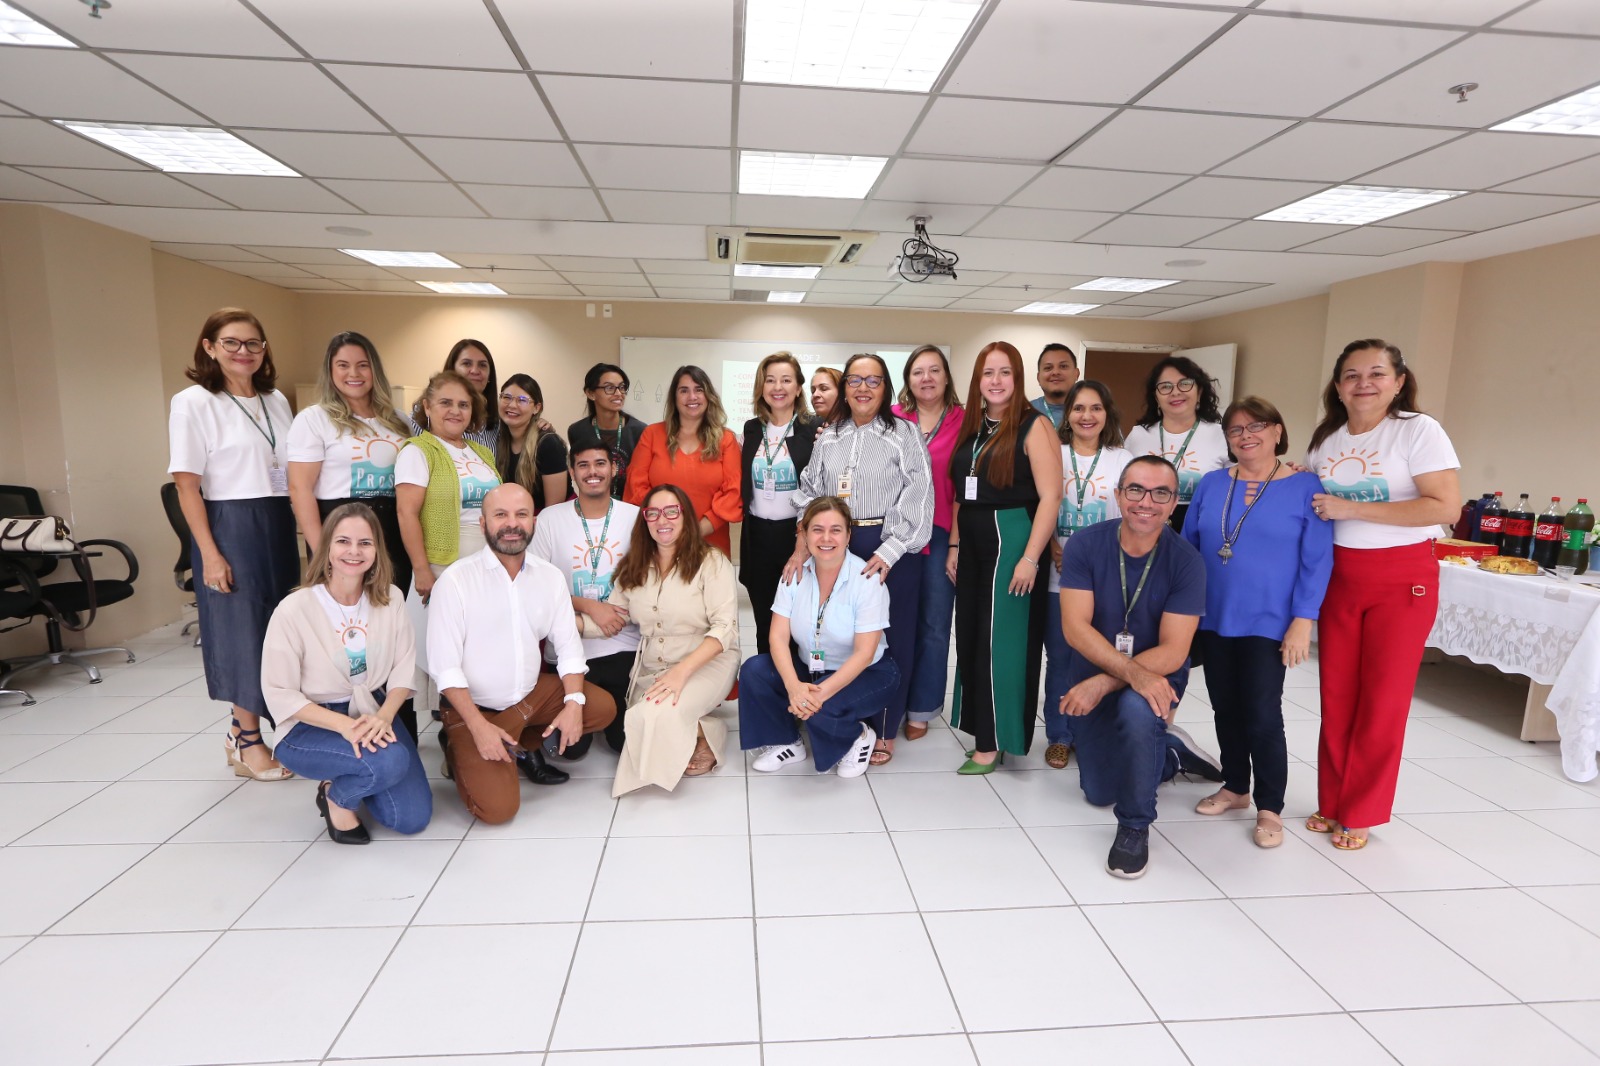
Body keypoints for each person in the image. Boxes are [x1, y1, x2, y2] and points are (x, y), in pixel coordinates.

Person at [1306, 339, 1460, 851]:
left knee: (1382, 700)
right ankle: (1333, 800)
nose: (1364, 383)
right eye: (1352, 375)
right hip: (1340, 575)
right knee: (1337, 695)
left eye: (1376, 373)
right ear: (1337, 386)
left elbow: (1445, 508)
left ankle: (1362, 809)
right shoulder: (1327, 438)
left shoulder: (1417, 430)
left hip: (1402, 576)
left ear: (1398, 382)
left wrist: (1353, 509)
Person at [1057, 456, 1225, 879]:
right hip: (1096, 667)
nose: (1146, 502)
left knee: (1137, 707)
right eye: (1135, 489)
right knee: (1099, 791)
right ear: (1118, 495)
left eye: (1160, 493)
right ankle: (1169, 754)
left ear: (1173, 503)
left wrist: (1105, 682)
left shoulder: (1186, 561)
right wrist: (1108, 678)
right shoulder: (1085, 544)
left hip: (1156, 673)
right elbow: (1075, 629)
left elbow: (1174, 651)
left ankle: (1134, 827)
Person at [1182, 397, 1333, 848]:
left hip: (1270, 619)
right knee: (1224, 706)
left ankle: (1270, 806)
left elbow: (1317, 560)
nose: (1246, 436)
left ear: (1277, 432)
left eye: (1256, 426)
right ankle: (1235, 787)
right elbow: (1188, 547)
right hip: (1213, 615)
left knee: (1263, 713)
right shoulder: (1211, 484)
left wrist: (1303, 620)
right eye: (1236, 430)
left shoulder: (1306, 487)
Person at [427, 484, 618, 824]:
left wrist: (574, 703)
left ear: (533, 522)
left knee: (601, 707)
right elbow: (445, 669)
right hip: (475, 710)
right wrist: (478, 728)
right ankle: (459, 744)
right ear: (483, 523)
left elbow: (569, 648)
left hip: (530, 697)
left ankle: (516, 740)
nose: (512, 524)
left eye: (521, 515)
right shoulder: (455, 582)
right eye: (500, 515)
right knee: (498, 810)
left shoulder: (549, 577)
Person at [168, 307, 299, 782]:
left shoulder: (275, 400)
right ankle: (248, 742)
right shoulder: (193, 402)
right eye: (231, 342)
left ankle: (239, 731)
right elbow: (186, 486)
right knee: (242, 633)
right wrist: (209, 553)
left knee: (276, 632)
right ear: (209, 347)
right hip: (230, 524)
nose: (244, 351)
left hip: (277, 520)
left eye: (253, 343)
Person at [793, 353, 933, 765]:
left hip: (889, 546)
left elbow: (919, 495)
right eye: (855, 380)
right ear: (845, 388)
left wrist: (888, 552)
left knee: (892, 639)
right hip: (834, 543)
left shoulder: (905, 433)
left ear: (885, 387)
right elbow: (808, 489)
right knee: (842, 634)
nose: (863, 388)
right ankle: (840, 716)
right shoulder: (829, 436)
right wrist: (806, 538)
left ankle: (885, 728)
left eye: (873, 380)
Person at [262, 503, 429, 842]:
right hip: (311, 723)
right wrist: (345, 727)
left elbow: (403, 668)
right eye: (343, 541)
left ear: (377, 551)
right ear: (327, 548)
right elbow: (279, 693)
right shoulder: (294, 609)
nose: (354, 551)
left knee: (411, 818)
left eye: (365, 543)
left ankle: (354, 773)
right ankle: (337, 798)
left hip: (372, 710)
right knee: (390, 762)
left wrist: (383, 717)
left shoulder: (391, 598)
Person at [286, 332, 416, 735]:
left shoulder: (399, 420)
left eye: (362, 365)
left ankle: (398, 724)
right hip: (341, 533)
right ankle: (346, 725)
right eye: (342, 365)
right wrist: (322, 552)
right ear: (330, 371)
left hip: (391, 534)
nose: (353, 373)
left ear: (375, 370)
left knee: (391, 628)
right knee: (348, 632)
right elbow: (300, 490)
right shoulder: (313, 419)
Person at [946, 341, 1063, 773]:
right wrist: (955, 544)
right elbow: (962, 494)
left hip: (1011, 541)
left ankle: (995, 741)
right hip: (973, 543)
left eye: (1005, 372)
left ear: (1018, 377)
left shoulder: (1035, 426)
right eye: (987, 373)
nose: (995, 381)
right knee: (972, 636)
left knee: (1003, 642)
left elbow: (1051, 497)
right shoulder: (975, 425)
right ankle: (982, 728)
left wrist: (1030, 558)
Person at [740, 496, 898, 776]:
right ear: (803, 534)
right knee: (755, 670)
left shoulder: (867, 579)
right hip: (812, 668)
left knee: (822, 706)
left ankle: (859, 736)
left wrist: (816, 696)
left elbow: (864, 654)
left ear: (848, 536)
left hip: (868, 673)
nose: (826, 538)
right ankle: (787, 742)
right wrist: (794, 687)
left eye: (835, 530)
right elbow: (777, 637)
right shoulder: (794, 574)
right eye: (817, 530)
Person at [607, 486, 741, 795]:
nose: (662, 520)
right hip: (654, 663)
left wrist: (680, 673)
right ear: (644, 520)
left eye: (671, 512)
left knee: (651, 715)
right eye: (653, 513)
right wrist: (567, 618)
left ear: (685, 517)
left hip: (707, 660)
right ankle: (703, 729)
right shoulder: (634, 565)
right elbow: (611, 617)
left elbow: (725, 629)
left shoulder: (712, 562)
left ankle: (704, 734)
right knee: (640, 721)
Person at [395, 371, 502, 723]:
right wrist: (422, 570)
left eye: (463, 404)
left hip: (486, 567)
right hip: (444, 565)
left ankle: (479, 730)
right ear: (427, 407)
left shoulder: (481, 452)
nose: (455, 411)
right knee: (446, 656)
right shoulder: (418, 451)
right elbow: (407, 513)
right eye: (445, 403)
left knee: (478, 654)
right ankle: (456, 737)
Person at [529, 433, 640, 754]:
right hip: (569, 649)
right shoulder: (550, 520)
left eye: (600, 463)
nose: (593, 471)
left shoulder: (634, 517)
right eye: (583, 465)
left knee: (623, 743)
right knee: (570, 751)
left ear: (613, 469)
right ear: (572, 472)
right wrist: (589, 606)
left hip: (623, 644)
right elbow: (534, 589)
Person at [1043, 380, 1133, 770]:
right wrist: (1053, 547)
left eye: (1095, 408)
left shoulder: (1121, 458)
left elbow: (1130, 514)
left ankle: (1094, 734)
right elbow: (1039, 506)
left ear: (1107, 414)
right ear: (1068, 415)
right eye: (1078, 408)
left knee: (1103, 658)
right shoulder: (1053, 453)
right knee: (1061, 658)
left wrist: (1091, 560)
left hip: (1105, 576)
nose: (1086, 416)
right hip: (1057, 573)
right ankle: (1060, 735)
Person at [893, 345, 963, 740]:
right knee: (893, 621)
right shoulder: (893, 417)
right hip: (898, 533)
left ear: (946, 376)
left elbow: (967, 490)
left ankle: (921, 708)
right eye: (918, 371)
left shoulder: (965, 421)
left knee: (935, 624)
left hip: (941, 533)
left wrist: (955, 544)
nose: (926, 378)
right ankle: (890, 701)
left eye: (934, 370)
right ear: (908, 379)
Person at [740, 351, 818, 656]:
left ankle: (798, 680)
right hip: (757, 536)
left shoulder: (815, 429)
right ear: (761, 387)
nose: (778, 387)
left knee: (798, 621)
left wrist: (805, 538)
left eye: (786, 380)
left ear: (798, 387)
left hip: (797, 536)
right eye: (770, 380)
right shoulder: (751, 429)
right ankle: (767, 678)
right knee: (764, 620)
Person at [624, 365, 742, 554]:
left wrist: (694, 533)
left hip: (710, 544)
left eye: (699, 390)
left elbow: (733, 493)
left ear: (708, 396)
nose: (692, 397)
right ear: (674, 397)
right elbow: (636, 487)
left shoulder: (726, 439)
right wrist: (666, 528)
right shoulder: (651, 434)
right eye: (684, 391)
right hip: (660, 543)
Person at [1123, 355, 1229, 530]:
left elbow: (1238, 485)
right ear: (1156, 397)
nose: (1175, 392)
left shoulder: (1220, 434)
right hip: (1146, 527)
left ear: (1199, 392)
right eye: (1165, 386)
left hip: (1203, 529)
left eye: (1185, 384)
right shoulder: (1139, 435)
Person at [567, 362, 648, 501]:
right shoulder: (577, 431)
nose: (618, 394)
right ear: (591, 393)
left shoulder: (640, 431)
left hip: (630, 506)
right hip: (592, 503)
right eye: (609, 388)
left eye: (622, 387)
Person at [410, 339, 503, 450]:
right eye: (466, 363)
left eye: (482, 365)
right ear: (452, 369)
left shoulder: (498, 421)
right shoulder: (423, 414)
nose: (475, 370)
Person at [495, 372, 569, 512]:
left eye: (522, 400)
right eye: (507, 397)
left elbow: (554, 511)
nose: (512, 405)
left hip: (548, 520)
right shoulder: (496, 439)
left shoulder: (548, 444)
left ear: (536, 408)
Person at [1031, 343, 1081, 428]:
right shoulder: (1024, 413)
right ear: (1038, 378)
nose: (1055, 372)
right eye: (1048, 368)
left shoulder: (1093, 412)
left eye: (1063, 366)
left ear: (1076, 374)